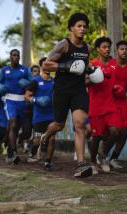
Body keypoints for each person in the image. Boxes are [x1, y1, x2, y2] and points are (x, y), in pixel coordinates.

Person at [41, 12, 103, 178]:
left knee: (80, 124)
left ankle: (81, 165)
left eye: (84, 26)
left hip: (78, 90)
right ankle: (45, 137)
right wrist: (66, 66)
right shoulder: (64, 45)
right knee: (59, 125)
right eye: (79, 26)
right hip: (61, 90)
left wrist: (92, 70)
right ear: (71, 28)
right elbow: (47, 65)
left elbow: (86, 63)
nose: (82, 29)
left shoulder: (87, 48)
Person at [102, 40, 127, 169]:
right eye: (121, 49)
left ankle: (113, 159)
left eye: (126, 49)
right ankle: (102, 156)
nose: (124, 51)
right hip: (109, 101)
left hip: (123, 101)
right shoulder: (110, 64)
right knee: (114, 132)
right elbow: (101, 81)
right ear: (116, 51)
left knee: (124, 132)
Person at [88, 37, 122, 174]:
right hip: (96, 106)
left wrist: (117, 87)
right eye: (104, 47)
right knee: (96, 137)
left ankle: (102, 156)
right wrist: (95, 77)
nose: (107, 49)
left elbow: (115, 81)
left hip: (110, 105)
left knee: (116, 131)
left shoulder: (114, 64)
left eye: (108, 46)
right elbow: (85, 82)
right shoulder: (92, 64)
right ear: (98, 49)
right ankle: (92, 162)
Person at [0, 49, 32, 164]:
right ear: (10, 57)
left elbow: (33, 83)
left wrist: (27, 84)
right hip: (10, 100)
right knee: (13, 123)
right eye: (13, 55)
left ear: (19, 57)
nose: (15, 57)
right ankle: (14, 152)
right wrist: (1, 87)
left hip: (23, 101)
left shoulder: (25, 70)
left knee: (25, 131)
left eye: (17, 55)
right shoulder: (5, 70)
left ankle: (9, 145)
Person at [25, 57, 55, 171]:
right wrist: (37, 100)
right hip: (39, 115)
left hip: (52, 114)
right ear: (42, 66)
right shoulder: (35, 81)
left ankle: (48, 163)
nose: (48, 67)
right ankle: (32, 152)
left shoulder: (54, 82)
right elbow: (27, 96)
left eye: (50, 65)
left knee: (52, 139)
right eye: (46, 65)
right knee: (37, 140)